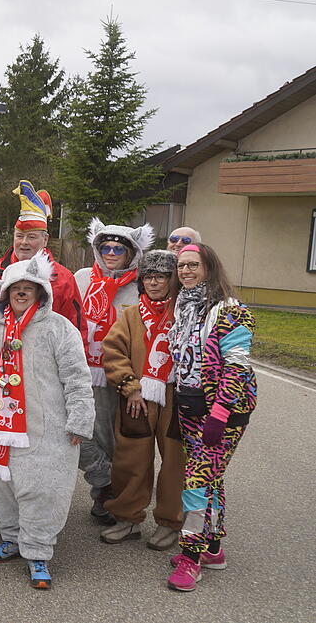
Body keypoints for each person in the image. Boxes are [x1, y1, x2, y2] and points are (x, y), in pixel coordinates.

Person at [0, 250, 94, 589]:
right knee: (2, 484)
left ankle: (38, 550)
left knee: (42, 488)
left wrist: (80, 419)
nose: (22, 292)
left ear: (42, 291)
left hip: (46, 428)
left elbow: (77, 377)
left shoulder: (60, 329)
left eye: (29, 287)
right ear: (6, 292)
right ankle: (12, 537)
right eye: (16, 287)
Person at [165, 243, 256, 592]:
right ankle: (213, 548)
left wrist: (219, 414)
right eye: (182, 265)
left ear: (210, 267)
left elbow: (236, 367)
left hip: (224, 413)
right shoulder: (184, 307)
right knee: (212, 479)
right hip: (190, 407)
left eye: (193, 265)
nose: (186, 271)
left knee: (196, 482)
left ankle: (191, 556)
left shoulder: (231, 310)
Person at [99, 250, 184, 550]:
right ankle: (128, 518)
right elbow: (113, 351)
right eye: (149, 276)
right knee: (130, 458)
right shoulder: (132, 315)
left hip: (176, 397)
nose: (155, 283)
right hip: (137, 396)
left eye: (161, 276)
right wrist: (130, 386)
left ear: (173, 280)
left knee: (176, 462)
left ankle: (171, 522)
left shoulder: (186, 313)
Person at [75, 218, 154, 525]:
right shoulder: (81, 278)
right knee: (78, 431)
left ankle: (105, 499)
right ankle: (106, 481)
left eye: (117, 249)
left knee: (109, 436)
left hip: (118, 374)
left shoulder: (139, 285)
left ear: (131, 253)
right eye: (104, 247)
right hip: (79, 369)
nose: (110, 253)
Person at [0, 182, 85, 344]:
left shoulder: (63, 279)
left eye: (31, 237)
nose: (24, 242)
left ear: (45, 239)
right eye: (19, 236)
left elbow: (76, 330)